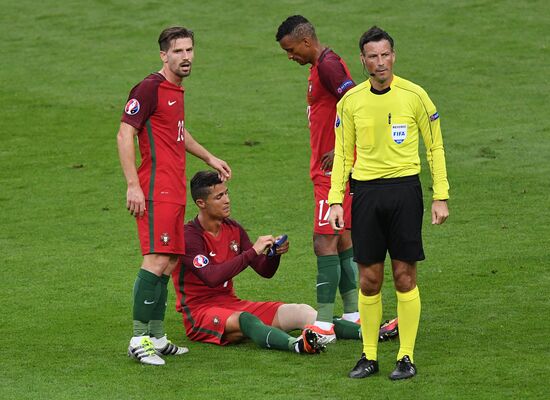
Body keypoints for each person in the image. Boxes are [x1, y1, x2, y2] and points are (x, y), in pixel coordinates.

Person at [328, 26, 450, 380]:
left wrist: (440, 194)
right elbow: (341, 155)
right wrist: (336, 199)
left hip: (404, 192)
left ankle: (406, 357)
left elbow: (435, 147)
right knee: (369, 279)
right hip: (365, 194)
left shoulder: (415, 96)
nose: (380, 63)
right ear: (362, 60)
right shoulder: (350, 102)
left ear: (393, 56)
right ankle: (368, 355)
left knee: (404, 276)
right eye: (372, 56)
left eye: (385, 55)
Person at [117, 26, 232, 366]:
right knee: (155, 260)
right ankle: (138, 339)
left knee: (168, 263)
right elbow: (125, 134)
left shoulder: (175, 90)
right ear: (163, 55)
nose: (186, 57)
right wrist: (133, 185)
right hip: (154, 189)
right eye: (178, 51)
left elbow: (178, 132)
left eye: (189, 50)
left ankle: (156, 336)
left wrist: (209, 157)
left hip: (173, 189)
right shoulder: (149, 88)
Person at [171, 171, 364, 354]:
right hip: (200, 313)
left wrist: (273, 255)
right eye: (219, 197)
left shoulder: (233, 228)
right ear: (201, 203)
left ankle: (368, 332)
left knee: (301, 311)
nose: (227, 200)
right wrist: (253, 251)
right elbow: (211, 277)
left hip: (231, 304)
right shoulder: (189, 237)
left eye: (226, 193)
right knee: (246, 320)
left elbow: (264, 271)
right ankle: (295, 345)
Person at [275, 15, 368, 345]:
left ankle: (325, 324)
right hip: (332, 170)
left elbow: (358, 103)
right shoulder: (320, 66)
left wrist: (342, 148)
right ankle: (354, 314)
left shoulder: (328, 67)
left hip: (332, 174)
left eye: (290, 50)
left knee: (323, 241)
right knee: (341, 240)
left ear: (305, 42)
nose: (290, 57)